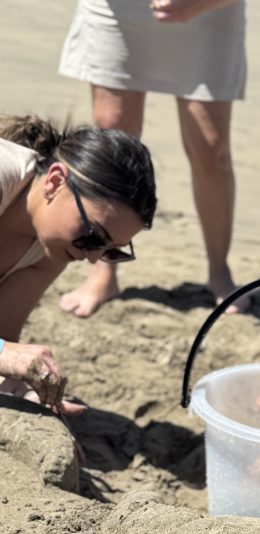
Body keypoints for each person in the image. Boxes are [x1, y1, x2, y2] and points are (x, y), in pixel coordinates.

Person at [58, 0, 247, 318]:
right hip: (119, 9)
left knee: (210, 149)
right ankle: (104, 271)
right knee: (112, 138)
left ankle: (219, 269)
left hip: (210, 8)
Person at [0, 115, 156, 412]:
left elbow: (3, 335)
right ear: (56, 182)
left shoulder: (54, 247)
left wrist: (27, 398)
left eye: (112, 251)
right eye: (94, 236)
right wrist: (4, 354)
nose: (93, 257)